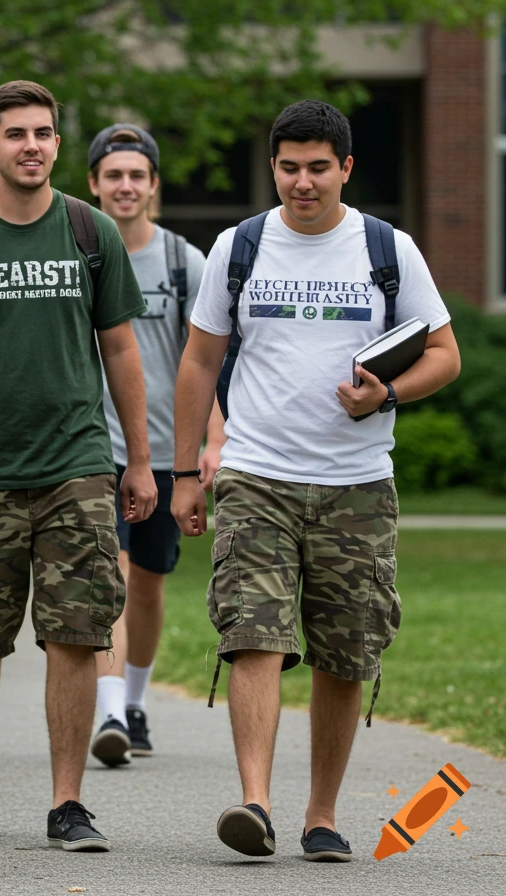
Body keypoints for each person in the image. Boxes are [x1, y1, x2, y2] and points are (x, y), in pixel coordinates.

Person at [171, 99, 460, 862]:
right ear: (274, 168)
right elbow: (200, 361)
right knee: (253, 634)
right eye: (290, 168)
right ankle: (256, 803)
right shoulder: (240, 246)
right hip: (256, 473)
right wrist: (182, 471)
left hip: (357, 484)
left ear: (346, 169)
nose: (303, 183)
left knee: (345, 651)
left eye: (318, 169)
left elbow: (444, 355)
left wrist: (387, 394)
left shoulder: (384, 248)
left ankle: (322, 814)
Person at [0, 80, 154, 851]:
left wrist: (136, 460)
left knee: (76, 634)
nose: (30, 146)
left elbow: (121, 350)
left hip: (76, 465)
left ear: (58, 146)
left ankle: (67, 801)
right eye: (15, 134)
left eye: (43, 134)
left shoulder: (88, 229)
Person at [84, 123, 222, 765]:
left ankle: (133, 702)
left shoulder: (182, 261)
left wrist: (210, 445)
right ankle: (109, 710)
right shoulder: (81, 250)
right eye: (113, 175)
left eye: (137, 175)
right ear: (94, 184)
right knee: (107, 575)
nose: (125, 185)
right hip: (92, 446)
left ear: (154, 186)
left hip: (169, 449)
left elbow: (207, 362)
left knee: (146, 582)